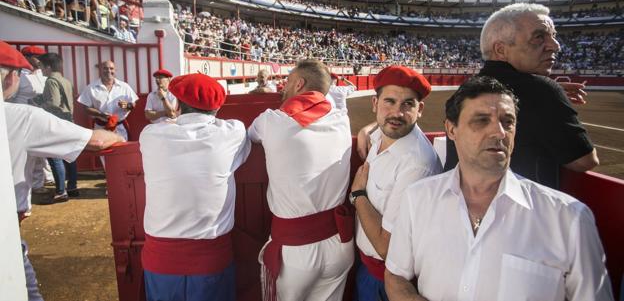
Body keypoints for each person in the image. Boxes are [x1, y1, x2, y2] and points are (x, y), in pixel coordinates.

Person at [384, 76, 613, 301]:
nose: (499, 133)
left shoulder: (570, 219)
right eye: (482, 120)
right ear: (451, 130)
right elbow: (396, 275)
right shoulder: (417, 198)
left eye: (508, 122)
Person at [1, 41, 123, 301]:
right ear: (11, 76)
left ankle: (65, 188)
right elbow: (97, 141)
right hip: (5, 229)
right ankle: (64, 188)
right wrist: (115, 134)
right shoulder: (22, 114)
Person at [443, 3, 598, 189]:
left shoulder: (464, 90)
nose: (555, 46)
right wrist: (551, 94)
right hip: (524, 212)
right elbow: (584, 161)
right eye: (539, 37)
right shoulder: (542, 91)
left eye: (553, 36)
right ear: (501, 50)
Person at [248, 59, 354, 301]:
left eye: (287, 81)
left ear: (299, 84)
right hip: (339, 244)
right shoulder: (341, 120)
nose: (283, 87)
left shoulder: (271, 121)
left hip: (296, 252)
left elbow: (249, 138)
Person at [140, 73, 250, 301]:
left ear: (177, 104)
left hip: (160, 261)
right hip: (211, 260)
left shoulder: (150, 135)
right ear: (217, 109)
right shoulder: (233, 133)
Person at [350, 66, 442, 301]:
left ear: (419, 109)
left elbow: (385, 247)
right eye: (389, 102)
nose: (397, 113)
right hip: (369, 268)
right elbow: (385, 122)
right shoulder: (383, 132)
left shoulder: (417, 165)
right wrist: (366, 128)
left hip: (386, 279)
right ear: (375, 104)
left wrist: (358, 194)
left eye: (408, 105)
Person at [9, 45, 53, 194]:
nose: (40, 60)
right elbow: (11, 98)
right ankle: (35, 184)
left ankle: (46, 178)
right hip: (24, 118)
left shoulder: (43, 74)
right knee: (31, 154)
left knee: (43, 152)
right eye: (37, 57)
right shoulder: (20, 75)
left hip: (42, 116)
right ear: (27, 57)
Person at [36, 52, 80, 202]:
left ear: (48, 67)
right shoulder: (66, 80)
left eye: (41, 66)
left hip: (56, 121)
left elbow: (53, 102)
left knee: (55, 156)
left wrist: (39, 105)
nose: (40, 69)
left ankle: (61, 191)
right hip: (68, 120)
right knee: (70, 156)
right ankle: (72, 187)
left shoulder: (50, 81)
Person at [77, 60, 138, 141]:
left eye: (111, 68)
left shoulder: (124, 87)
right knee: (102, 153)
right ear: (100, 70)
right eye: (105, 68)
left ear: (115, 70)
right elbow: (86, 108)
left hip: (120, 128)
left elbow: (133, 104)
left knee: (122, 152)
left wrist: (128, 105)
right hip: (100, 128)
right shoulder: (91, 88)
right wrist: (101, 114)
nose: (109, 71)